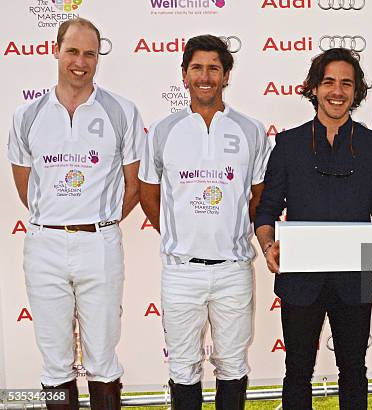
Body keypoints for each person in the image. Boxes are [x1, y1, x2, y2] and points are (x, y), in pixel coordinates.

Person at [7, 17, 144, 410]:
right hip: (44, 244)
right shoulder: (26, 116)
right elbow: (26, 188)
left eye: (89, 53)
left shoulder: (122, 111)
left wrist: (98, 222)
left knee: (102, 357)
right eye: (72, 51)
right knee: (54, 360)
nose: (80, 62)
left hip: (99, 245)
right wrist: (58, 218)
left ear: (98, 57)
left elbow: (132, 186)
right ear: (55, 51)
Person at [254, 47, 372, 410]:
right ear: (314, 88)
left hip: (354, 279)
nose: (337, 90)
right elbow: (267, 209)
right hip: (300, 279)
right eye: (329, 81)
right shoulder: (287, 144)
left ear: (357, 91)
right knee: (297, 370)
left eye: (346, 83)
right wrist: (269, 245)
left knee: (354, 370)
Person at [139, 35, 271, 410]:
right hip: (181, 271)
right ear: (184, 75)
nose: (205, 76)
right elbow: (149, 194)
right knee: (183, 366)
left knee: (232, 365)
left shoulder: (250, 130)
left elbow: (259, 195)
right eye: (197, 67)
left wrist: (234, 229)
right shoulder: (163, 130)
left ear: (227, 75)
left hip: (233, 269)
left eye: (214, 68)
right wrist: (179, 234)